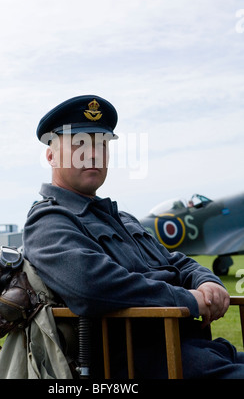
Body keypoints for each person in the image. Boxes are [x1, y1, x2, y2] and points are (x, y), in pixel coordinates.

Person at [23, 95, 244, 379]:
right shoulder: (49, 221)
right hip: (144, 363)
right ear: (51, 156)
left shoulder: (122, 219)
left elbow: (176, 261)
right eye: (78, 144)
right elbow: (91, 286)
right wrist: (187, 300)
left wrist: (207, 281)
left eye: (101, 145)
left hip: (195, 350)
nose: (92, 154)